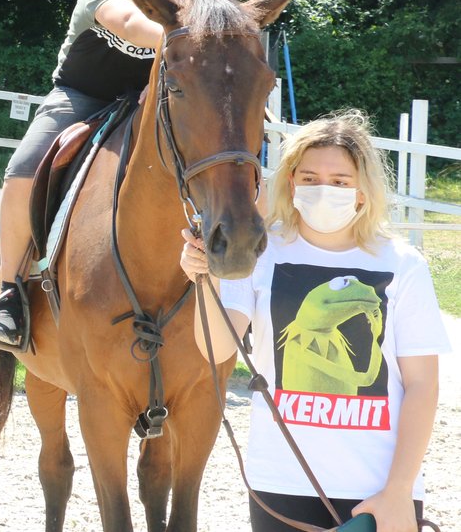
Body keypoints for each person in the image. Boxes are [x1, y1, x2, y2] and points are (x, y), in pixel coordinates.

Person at [180, 111, 449, 532]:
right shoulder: (259, 254)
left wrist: (399, 489)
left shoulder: (402, 264)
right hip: (281, 481)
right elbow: (217, 344)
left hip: (379, 485)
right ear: (290, 182)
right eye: (308, 178)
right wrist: (207, 275)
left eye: (340, 182)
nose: (324, 190)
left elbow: (422, 385)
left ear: (362, 191)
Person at [0, 0, 210, 349]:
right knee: (22, 169)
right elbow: (129, 21)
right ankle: (8, 294)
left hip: (159, 98)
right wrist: (195, 38)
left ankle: (232, 286)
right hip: (86, 96)